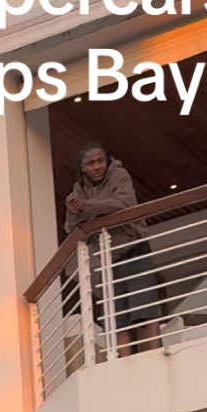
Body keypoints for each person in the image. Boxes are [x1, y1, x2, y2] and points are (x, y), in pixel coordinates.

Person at [64, 143, 160, 352]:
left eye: (100, 161)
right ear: (82, 168)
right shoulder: (79, 189)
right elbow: (71, 228)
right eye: (91, 163)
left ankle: (153, 358)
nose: (97, 166)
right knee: (118, 319)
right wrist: (73, 211)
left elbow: (124, 204)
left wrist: (87, 208)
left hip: (134, 249)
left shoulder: (119, 175)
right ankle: (124, 366)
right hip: (107, 260)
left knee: (144, 313)